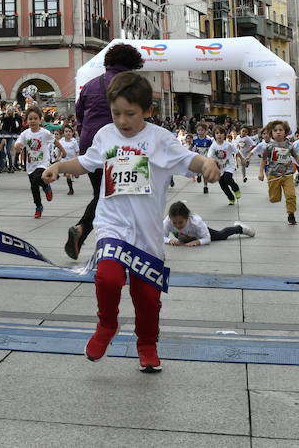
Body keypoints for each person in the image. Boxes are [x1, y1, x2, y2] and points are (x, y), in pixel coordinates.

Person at [43, 71, 220, 372]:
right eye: (116, 113)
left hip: (147, 233)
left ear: (148, 111)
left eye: (130, 114)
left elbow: (192, 160)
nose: (122, 121)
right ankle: (106, 326)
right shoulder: (105, 135)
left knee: (147, 297)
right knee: (107, 278)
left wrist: (207, 163)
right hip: (112, 224)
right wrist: (58, 166)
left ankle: (147, 344)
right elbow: (86, 162)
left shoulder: (161, 140)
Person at [65, 42, 144, 260]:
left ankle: (83, 233)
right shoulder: (132, 84)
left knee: (102, 194)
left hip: (90, 144)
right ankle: (91, 233)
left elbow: (79, 115)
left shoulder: (90, 84)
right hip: (120, 145)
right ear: (132, 64)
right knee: (120, 197)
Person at [12, 106, 55, 218]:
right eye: (30, 119)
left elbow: (55, 141)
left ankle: (46, 187)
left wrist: (63, 152)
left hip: (43, 163)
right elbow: (17, 144)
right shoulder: (25, 134)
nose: (33, 121)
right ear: (27, 121)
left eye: (35, 118)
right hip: (31, 164)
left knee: (37, 178)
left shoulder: (44, 133)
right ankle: (38, 206)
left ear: (40, 120)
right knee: (33, 187)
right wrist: (17, 146)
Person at [258, 120, 299, 225]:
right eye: (275, 130)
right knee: (274, 198)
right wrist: (260, 172)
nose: (278, 132)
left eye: (280, 130)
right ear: (271, 133)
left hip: (287, 174)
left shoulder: (289, 145)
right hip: (273, 175)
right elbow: (263, 159)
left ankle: (291, 215)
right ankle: (275, 196)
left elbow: (296, 156)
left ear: (285, 132)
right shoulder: (269, 146)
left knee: (291, 195)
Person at [163, 201, 254, 247]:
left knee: (221, 235)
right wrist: (169, 241)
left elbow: (207, 238)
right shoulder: (168, 221)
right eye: (174, 223)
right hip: (186, 237)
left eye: (181, 222)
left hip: (198, 235)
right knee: (184, 236)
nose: (178, 225)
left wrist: (198, 242)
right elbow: (160, 237)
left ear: (187, 218)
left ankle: (239, 228)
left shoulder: (196, 222)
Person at [209, 128, 241, 206]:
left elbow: (237, 152)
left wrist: (242, 159)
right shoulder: (213, 146)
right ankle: (231, 198)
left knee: (227, 178)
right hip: (219, 168)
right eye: (217, 133)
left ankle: (236, 189)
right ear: (214, 136)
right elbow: (209, 157)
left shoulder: (228, 145)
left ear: (224, 135)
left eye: (221, 133)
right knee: (223, 185)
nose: (219, 135)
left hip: (229, 165)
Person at [188, 122, 213, 194]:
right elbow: (191, 147)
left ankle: (205, 186)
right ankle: (199, 175)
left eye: (202, 130)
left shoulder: (208, 140)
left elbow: (212, 149)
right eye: (198, 130)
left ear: (206, 131)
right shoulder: (195, 139)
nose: (200, 132)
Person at [56, 124, 78, 194]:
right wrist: (58, 157)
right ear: (63, 133)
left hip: (72, 160)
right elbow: (59, 150)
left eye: (69, 131)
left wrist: (77, 159)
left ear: (72, 133)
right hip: (64, 160)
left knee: (70, 174)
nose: (68, 133)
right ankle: (71, 189)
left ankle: (75, 173)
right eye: (66, 131)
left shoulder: (74, 142)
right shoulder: (61, 141)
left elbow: (77, 151)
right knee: (68, 175)